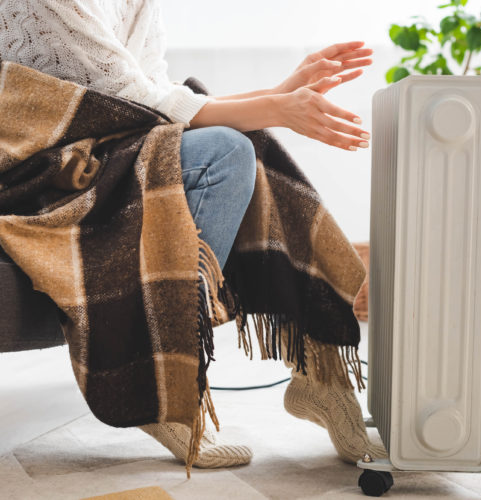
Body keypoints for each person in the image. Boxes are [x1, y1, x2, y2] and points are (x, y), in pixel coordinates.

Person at [0, 0, 386, 470]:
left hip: (101, 150)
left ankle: (319, 375)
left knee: (247, 144)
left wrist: (281, 95)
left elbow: (156, 92)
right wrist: (277, 106)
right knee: (224, 150)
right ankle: (159, 386)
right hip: (37, 170)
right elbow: (135, 101)